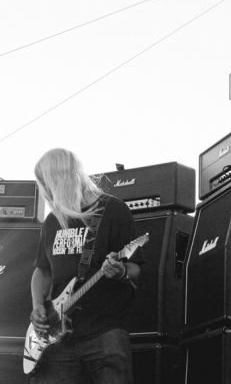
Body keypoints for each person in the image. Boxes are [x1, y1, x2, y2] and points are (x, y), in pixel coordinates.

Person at [30, 148, 145, 384]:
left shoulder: (113, 210)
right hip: (57, 336)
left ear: (57, 180)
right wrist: (37, 306)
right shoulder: (53, 221)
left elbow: (135, 268)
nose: (47, 191)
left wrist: (121, 271)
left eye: (46, 183)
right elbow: (42, 270)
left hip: (105, 330)